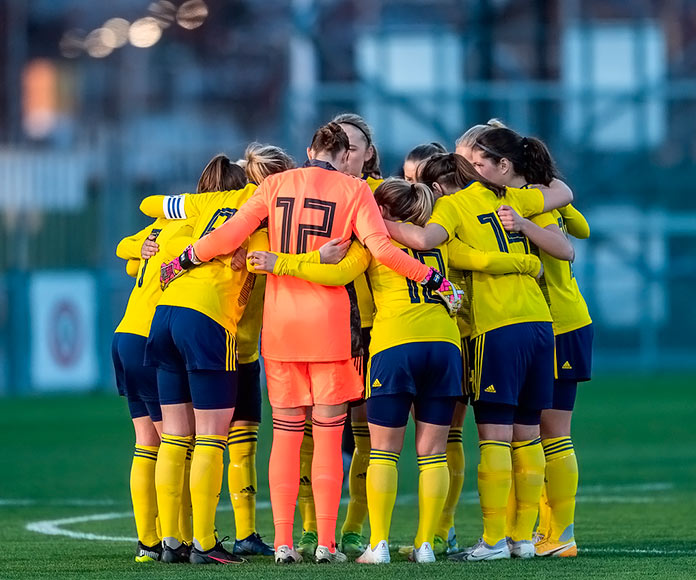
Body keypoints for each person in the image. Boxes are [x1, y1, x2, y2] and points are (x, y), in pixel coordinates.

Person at [159, 122, 460, 564]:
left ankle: (283, 544)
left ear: (309, 150)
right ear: (342, 156)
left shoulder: (276, 184)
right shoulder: (355, 190)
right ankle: (325, 543)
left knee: (284, 436)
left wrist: (185, 258)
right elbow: (383, 250)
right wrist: (435, 280)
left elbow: (228, 236)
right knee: (326, 436)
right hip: (330, 329)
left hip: (281, 329)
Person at [246, 178, 542, 564]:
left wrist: (283, 262)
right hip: (445, 347)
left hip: (395, 347)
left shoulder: (371, 246)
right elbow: (484, 260)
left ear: (379, 211)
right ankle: (424, 545)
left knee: (383, 453)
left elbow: (337, 274)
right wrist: (530, 263)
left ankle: (379, 544)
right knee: (433, 454)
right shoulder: (441, 242)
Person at [385, 152, 573, 561]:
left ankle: (491, 542)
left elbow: (427, 242)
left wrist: (377, 222)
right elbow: (564, 201)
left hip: (496, 328)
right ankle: (522, 538)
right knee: (529, 436)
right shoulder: (508, 198)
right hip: (541, 325)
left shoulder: (451, 207)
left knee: (493, 437)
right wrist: (526, 261)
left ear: (436, 188)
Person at [140, 146, 294, 565]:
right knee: (211, 435)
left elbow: (150, 203)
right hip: (210, 320)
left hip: (166, 313)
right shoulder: (269, 216)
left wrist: (153, 243)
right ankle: (205, 544)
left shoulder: (211, 201)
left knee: (174, 435)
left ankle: (172, 542)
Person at [471, 127, 593, 558]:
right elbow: (582, 224)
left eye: (475, 161)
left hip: (556, 323)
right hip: (555, 321)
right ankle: (535, 531)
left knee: (551, 433)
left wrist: (525, 221)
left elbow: (568, 246)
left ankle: (560, 533)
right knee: (533, 433)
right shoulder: (539, 195)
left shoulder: (525, 205)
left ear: (504, 166)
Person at [112, 213, 196, 562]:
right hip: (150, 340)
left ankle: (148, 543)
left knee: (147, 443)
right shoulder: (198, 229)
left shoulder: (164, 224)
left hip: (124, 335)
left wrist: (139, 252)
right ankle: (180, 539)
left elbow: (124, 249)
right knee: (180, 444)